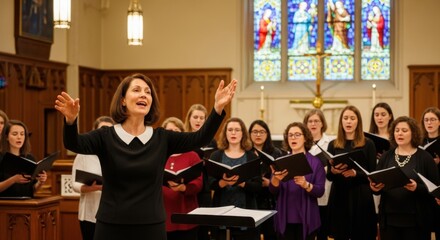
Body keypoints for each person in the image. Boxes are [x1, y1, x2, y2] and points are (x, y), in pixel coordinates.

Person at [54, 73, 237, 240]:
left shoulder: (162, 138)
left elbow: (200, 138)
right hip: (111, 226)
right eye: (136, 90)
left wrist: (217, 108)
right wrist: (70, 121)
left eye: (148, 92)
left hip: (151, 227)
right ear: (123, 100)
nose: (144, 95)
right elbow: (74, 144)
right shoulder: (105, 136)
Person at [370, 116, 440, 240]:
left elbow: (436, 190)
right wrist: (375, 188)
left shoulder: (425, 158)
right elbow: (378, 182)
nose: (399, 134)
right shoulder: (386, 156)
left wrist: (417, 187)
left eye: (404, 130)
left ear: (413, 133)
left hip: (416, 221)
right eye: (397, 130)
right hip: (389, 219)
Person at [326, 105, 377, 240]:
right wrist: (333, 171)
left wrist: (356, 173)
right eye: (346, 118)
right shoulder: (333, 144)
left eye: (352, 118)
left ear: (358, 122)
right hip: (339, 195)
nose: (348, 122)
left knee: (361, 234)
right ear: (341, 121)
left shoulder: (368, 144)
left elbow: (373, 173)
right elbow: (329, 177)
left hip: (360, 194)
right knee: (340, 234)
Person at [269, 122, 325, 240]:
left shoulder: (315, 163)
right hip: (285, 217)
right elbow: (273, 190)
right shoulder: (281, 161)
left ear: (305, 138)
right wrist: (275, 179)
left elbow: (320, 191)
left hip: (308, 218)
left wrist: (306, 185)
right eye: (290, 135)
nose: (293, 138)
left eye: (297, 135)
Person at [208, 117, 261, 240]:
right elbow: (210, 184)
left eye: (237, 130)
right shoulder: (216, 155)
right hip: (221, 212)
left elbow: (258, 187)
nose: (233, 133)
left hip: (246, 213)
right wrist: (224, 182)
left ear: (243, 134)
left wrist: (241, 183)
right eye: (230, 130)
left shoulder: (251, 156)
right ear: (225, 133)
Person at [71, 116, 115, 240]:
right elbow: (74, 184)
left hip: (113, 214)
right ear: (95, 132)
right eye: (102, 130)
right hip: (89, 214)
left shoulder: (119, 154)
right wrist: (90, 188)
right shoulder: (84, 154)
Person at [162, 117, 203, 240]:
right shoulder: (158, 155)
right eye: (170, 130)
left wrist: (184, 187)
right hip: (163, 214)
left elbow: (199, 183)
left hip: (186, 213)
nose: (173, 133)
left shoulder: (192, 155)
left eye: (177, 130)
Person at [184, 103, 217, 240]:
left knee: (203, 226)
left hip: (204, 187)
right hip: (186, 186)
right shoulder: (183, 138)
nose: (198, 120)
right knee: (188, 225)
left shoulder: (211, 141)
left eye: (202, 118)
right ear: (189, 119)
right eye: (195, 117)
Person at [248, 119, 283, 240]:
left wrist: (271, 183)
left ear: (267, 134)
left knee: (271, 234)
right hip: (251, 198)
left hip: (270, 200)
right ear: (249, 134)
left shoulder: (276, 152)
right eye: (255, 132)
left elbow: (282, 175)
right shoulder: (246, 153)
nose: (258, 135)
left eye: (262, 132)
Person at [303, 109, 335, 240]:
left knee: (323, 232)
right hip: (306, 193)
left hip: (326, 192)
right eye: (310, 121)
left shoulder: (331, 143)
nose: (313, 124)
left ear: (322, 123)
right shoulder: (302, 143)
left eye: (316, 121)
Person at [0, 120, 47, 197]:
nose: (19, 137)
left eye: (22, 134)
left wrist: (41, 182)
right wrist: (13, 180)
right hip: (6, 205)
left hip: (27, 205)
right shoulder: (1, 157)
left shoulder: (29, 158)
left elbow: (32, 190)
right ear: (6, 137)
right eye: (15, 134)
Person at [420, 107, 440, 239]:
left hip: (439, 189)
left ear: (439, 122)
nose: (429, 123)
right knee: (424, 228)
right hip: (424, 189)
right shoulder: (419, 142)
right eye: (426, 120)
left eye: (433, 119)